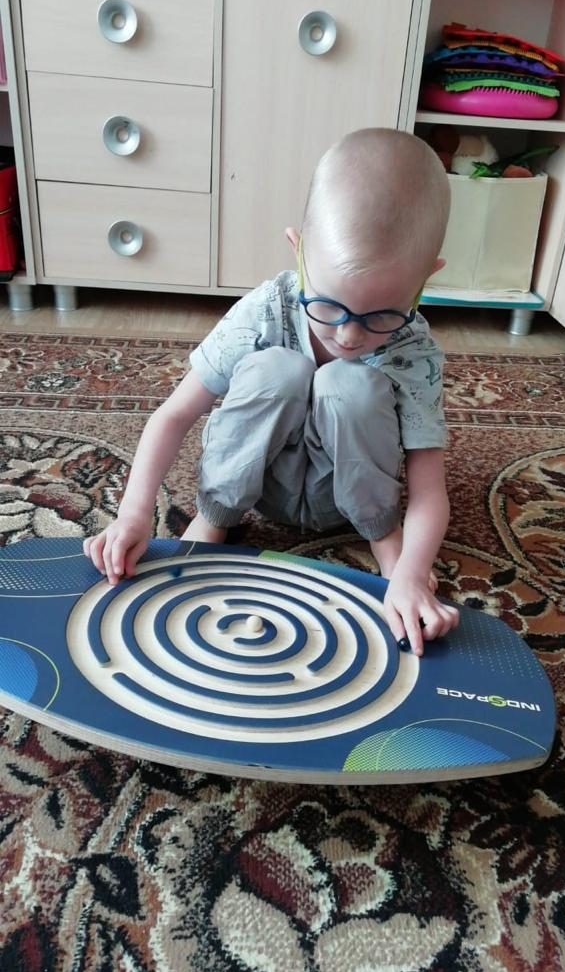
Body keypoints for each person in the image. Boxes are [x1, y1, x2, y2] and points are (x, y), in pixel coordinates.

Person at [84, 128, 459, 655]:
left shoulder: (413, 347)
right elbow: (173, 415)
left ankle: (383, 539)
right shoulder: (265, 309)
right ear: (299, 252)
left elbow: (429, 485)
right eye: (328, 305)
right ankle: (215, 520)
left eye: (382, 316)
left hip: (348, 498)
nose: (349, 335)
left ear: (425, 280)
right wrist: (133, 514)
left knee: (348, 380)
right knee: (279, 369)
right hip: (260, 484)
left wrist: (414, 572)